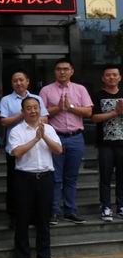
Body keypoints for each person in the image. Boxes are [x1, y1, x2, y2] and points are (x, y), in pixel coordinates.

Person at [7, 97, 63, 258]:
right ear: (23, 111)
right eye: (29, 108)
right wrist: (35, 139)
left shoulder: (49, 128)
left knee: (44, 219)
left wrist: (43, 135)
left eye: (35, 107)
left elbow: (59, 150)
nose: (33, 111)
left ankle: (44, 256)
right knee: (22, 219)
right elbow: (16, 152)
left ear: (40, 109)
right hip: (24, 179)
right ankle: (22, 257)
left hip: (45, 178)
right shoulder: (16, 131)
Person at [40, 58, 93, 225]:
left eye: (65, 69)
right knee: (55, 177)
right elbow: (41, 114)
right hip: (55, 138)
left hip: (76, 137)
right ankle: (54, 212)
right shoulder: (46, 90)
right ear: (55, 71)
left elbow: (88, 112)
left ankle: (70, 211)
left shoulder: (80, 89)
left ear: (72, 71)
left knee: (71, 178)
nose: (62, 72)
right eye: (58, 69)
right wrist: (58, 108)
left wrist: (70, 107)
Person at [0, 70, 49, 228]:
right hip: (16, 147)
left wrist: (29, 113)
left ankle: (33, 215)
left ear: (28, 81)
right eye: (15, 80)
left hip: (36, 146)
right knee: (14, 184)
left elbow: (45, 118)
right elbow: (4, 121)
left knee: (34, 185)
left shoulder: (37, 98)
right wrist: (23, 114)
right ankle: (14, 216)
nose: (18, 83)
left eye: (21, 80)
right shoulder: (6, 100)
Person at [91, 65, 123, 221]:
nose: (112, 77)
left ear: (120, 77)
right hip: (105, 144)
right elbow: (94, 118)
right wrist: (115, 112)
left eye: (115, 75)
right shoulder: (97, 95)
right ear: (103, 78)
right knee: (105, 176)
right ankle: (106, 207)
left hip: (122, 143)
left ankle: (121, 205)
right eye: (108, 75)